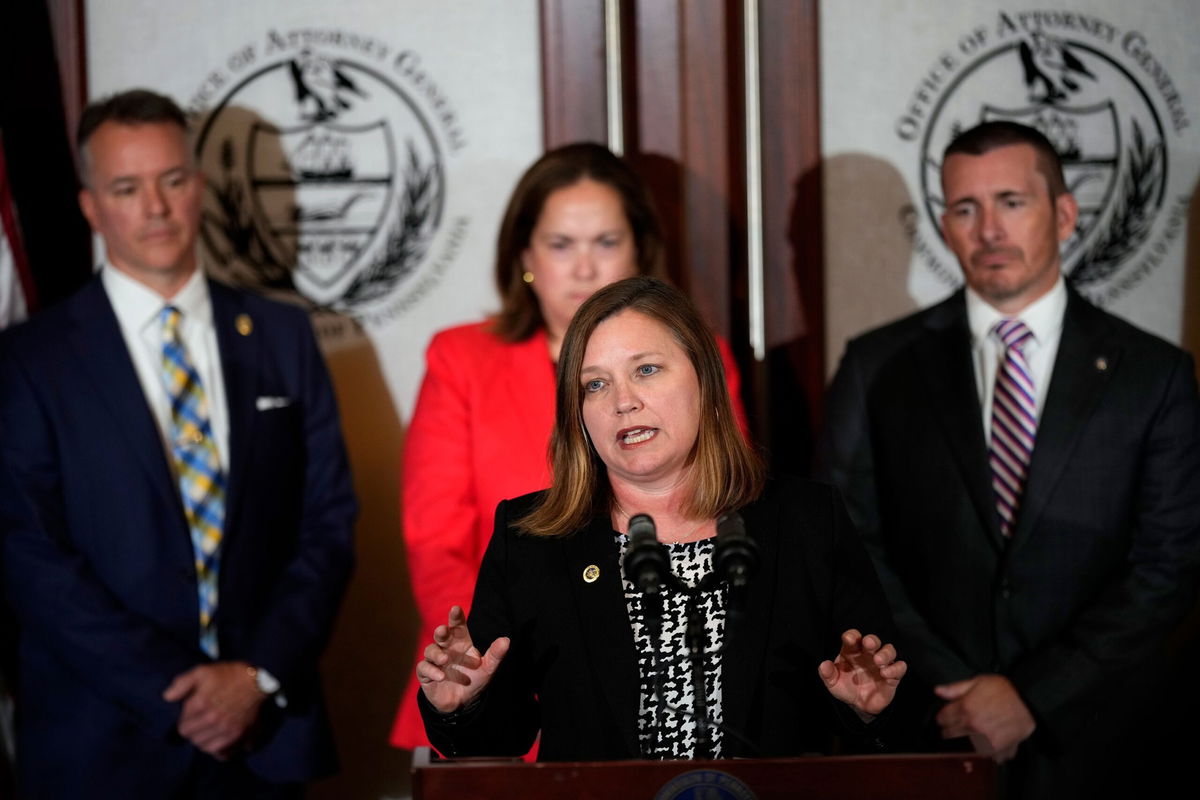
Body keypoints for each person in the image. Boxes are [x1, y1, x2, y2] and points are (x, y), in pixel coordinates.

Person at [817, 120, 1200, 798]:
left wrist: (1033, 695)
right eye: (966, 208)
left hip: (1100, 745)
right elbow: (845, 542)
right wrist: (956, 695)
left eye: (1011, 203)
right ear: (944, 223)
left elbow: (1167, 565)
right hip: (931, 736)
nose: (989, 228)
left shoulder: (1155, 375)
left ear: (1065, 212)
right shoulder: (875, 367)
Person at [0, 89, 356, 797]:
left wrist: (253, 677)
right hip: (99, 747)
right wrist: (180, 692)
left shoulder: (283, 337)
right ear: (91, 206)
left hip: (264, 743)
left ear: (198, 186)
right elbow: (29, 555)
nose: (155, 207)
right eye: (127, 188)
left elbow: (328, 526)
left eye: (171, 180)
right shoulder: (27, 361)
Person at [413, 276, 906, 761]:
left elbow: (874, 711)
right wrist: (463, 706)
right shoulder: (532, 538)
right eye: (596, 384)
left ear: (703, 378)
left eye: (646, 370)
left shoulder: (806, 521)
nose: (623, 401)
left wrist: (868, 711)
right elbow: (499, 740)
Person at [390, 144, 748, 749]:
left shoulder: (697, 358)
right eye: (562, 245)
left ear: (640, 252)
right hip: (495, 685)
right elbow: (437, 544)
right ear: (525, 255)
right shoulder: (460, 360)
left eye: (606, 243)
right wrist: (492, 663)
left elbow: (724, 512)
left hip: (664, 699)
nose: (585, 269)